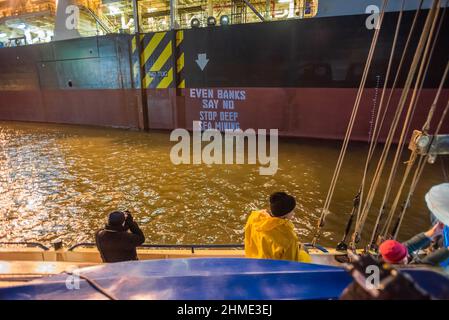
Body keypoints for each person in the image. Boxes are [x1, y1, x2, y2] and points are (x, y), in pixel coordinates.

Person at [379, 183, 449, 266]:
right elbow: (428, 262)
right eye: (405, 255)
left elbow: (407, 246)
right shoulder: (410, 269)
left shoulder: (388, 258)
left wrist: (433, 232)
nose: (408, 254)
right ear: (399, 262)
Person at [244, 192, 312, 263]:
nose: (293, 213)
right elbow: (290, 263)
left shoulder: (254, 216)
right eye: (292, 211)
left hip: (254, 259)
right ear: (286, 214)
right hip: (273, 268)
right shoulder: (288, 236)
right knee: (304, 249)